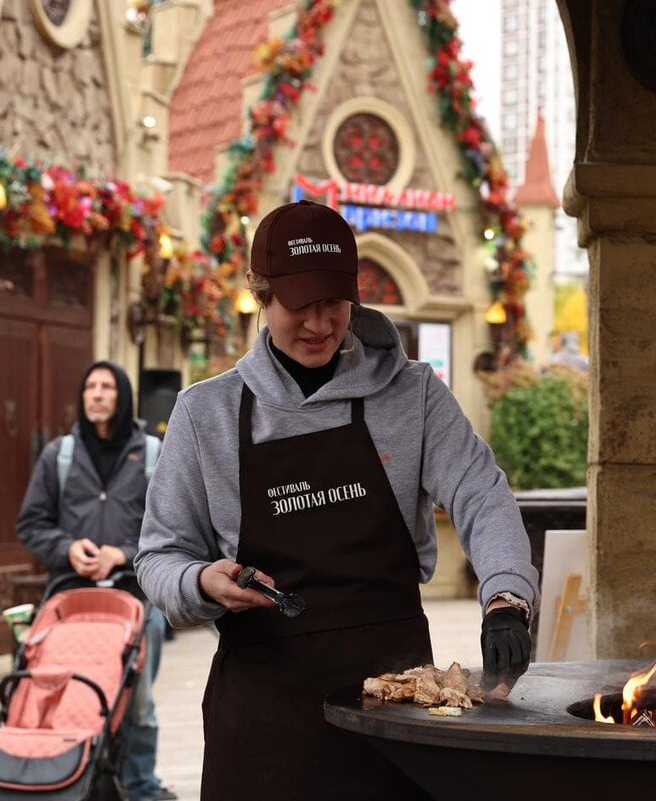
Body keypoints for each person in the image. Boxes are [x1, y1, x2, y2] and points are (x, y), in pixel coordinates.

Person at [135, 199, 540, 800]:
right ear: (262, 297)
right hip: (264, 720)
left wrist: (508, 595)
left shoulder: (415, 396)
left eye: (333, 303)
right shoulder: (206, 413)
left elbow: (481, 493)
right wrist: (199, 583)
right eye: (300, 306)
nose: (320, 324)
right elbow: (158, 555)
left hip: (397, 707)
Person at [16, 361, 175, 801]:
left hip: (136, 599)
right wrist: (66, 548)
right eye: (90, 387)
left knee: (138, 703)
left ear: (123, 396)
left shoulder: (153, 453)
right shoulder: (59, 455)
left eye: (107, 387)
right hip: (73, 603)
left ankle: (140, 786)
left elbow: (173, 526)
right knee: (70, 694)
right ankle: (73, 777)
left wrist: (122, 554)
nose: (97, 394)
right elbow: (31, 523)